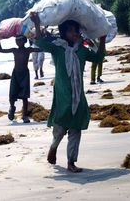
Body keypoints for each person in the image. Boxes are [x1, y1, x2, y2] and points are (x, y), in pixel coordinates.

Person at [31, 12, 106, 173]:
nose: (76, 33)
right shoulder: (57, 48)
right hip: (62, 94)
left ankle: (71, 161)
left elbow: (99, 58)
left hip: (78, 96)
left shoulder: (82, 50)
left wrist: (102, 39)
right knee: (59, 129)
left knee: (76, 129)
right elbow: (40, 42)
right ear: (64, 33)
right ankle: (54, 146)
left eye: (77, 31)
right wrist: (37, 23)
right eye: (72, 31)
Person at [0, 35, 41, 123]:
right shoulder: (14, 50)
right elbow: (0, 50)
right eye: (16, 40)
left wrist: (37, 39)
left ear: (24, 41)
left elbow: (40, 49)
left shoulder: (28, 50)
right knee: (12, 94)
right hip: (15, 74)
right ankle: (12, 107)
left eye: (19, 40)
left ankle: (24, 116)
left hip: (24, 74)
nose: (17, 42)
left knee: (24, 97)